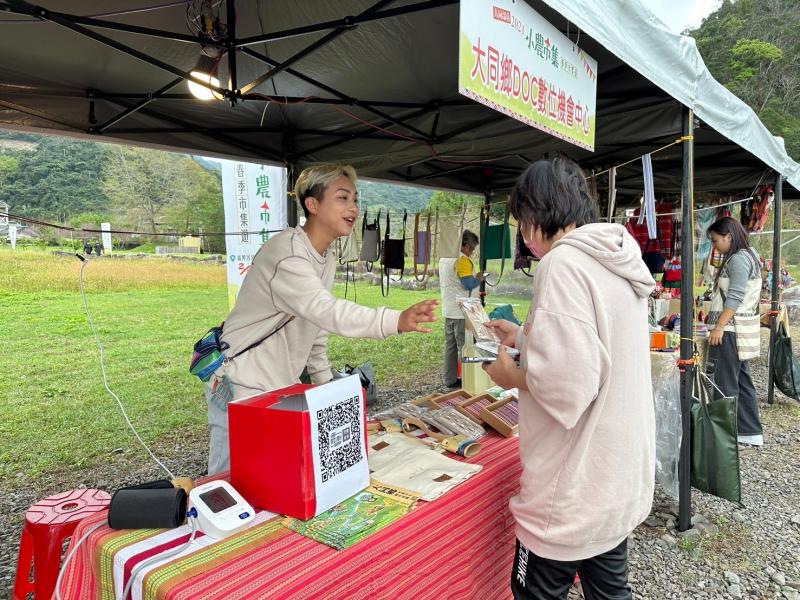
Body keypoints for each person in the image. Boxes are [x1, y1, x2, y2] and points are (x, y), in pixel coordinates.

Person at [483, 157, 655, 599]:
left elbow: (567, 387)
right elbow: (599, 347)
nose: (524, 235)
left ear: (538, 214)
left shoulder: (562, 265)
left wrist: (511, 374)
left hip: (571, 489)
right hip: (611, 479)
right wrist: (524, 335)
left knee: (537, 592)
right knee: (611, 591)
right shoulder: (616, 259)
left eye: (522, 222)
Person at [206, 164, 438, 474]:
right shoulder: (287, 253)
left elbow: (315, 330)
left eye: (355, 199)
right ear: (312, 205)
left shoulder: (324, 259)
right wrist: (394, 319)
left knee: (268, 477)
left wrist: (327, 389)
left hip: (277, 388)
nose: (353, 208)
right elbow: (327, 311)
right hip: (241, 385)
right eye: (342, 198)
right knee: (229, 480)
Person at [706, 216, 763, 446]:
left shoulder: (738, 260)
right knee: (742, 382)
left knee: (725, 383)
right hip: (740, 330)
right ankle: (749, 431)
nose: (714, 245)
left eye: (715, 240)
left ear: (728, 236)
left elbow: (735, 296)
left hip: (730, 330)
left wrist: (719, 326)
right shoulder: (750, 255)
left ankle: (724, 437)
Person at [439, 229, 483, 388]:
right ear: (464, 246)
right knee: (465, 347)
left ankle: (449, 379)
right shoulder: (462, 260)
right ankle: (470, 381)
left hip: (448, 309)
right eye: (471, 248)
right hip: (461, 311)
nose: (471, 252)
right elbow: (468, 284)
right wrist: (479, 278)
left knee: (449, 346)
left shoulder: (444, 258)